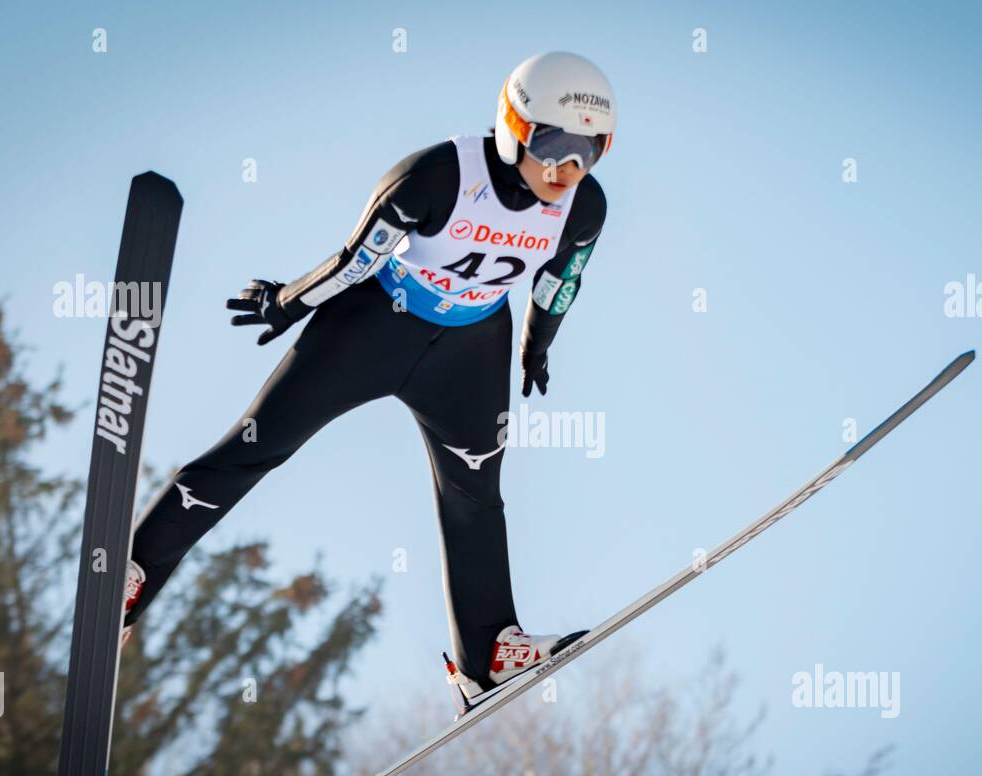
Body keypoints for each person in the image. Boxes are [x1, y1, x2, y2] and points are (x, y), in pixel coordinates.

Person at [121, 52, 615, 704]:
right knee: (258, 445)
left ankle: (488, 652)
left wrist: (536, 348)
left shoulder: (583, 207)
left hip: (470, 350)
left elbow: (560, 283)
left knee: (475, 497)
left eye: (590, 150)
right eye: (554, 143)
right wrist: (288, 300)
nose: (568, 168)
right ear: (514, 125)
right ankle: (131, 576)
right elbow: (356, 261)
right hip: (375, 324)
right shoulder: (437, 178)